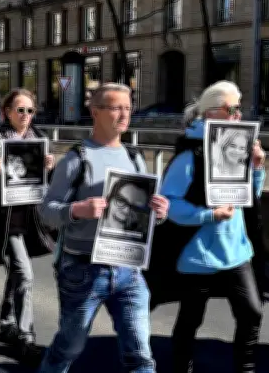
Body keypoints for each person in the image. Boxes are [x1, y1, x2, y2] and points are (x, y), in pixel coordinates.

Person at [36, 83, 169, 373]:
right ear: (95, 112)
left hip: (128, 269)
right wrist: (77, 210)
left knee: (141, 355)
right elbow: (46, 211)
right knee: (69, 347)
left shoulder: (134, 157)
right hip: (83, 270)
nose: (124, 114)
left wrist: (158, 213)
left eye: (128, 107)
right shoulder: (76, 159)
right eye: (115, 107)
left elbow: (140, 214)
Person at [158, 80, 265, 373]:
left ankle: (245, 369)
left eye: (240, 109)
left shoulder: (237, 145)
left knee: (252, 313)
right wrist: (208, 215)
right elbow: (169, 204)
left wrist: (257, 168)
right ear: (212, 113)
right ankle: (182, 368)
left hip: (236, 250)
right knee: (191, 318)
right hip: (198, 253)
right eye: (233, 109)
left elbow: (249, 198)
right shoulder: (190, 155)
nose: (239, 115)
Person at [0, 89, 54, 362]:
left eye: (30, 111)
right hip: (6, 220)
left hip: (31, 217)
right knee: (25, 274)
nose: (26, 116)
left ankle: (6, 322)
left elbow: (46, 183)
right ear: (7, 112)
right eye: (20, 110)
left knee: (18, 273)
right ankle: (25, 336)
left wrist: (49, 167)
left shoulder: (39, 139)